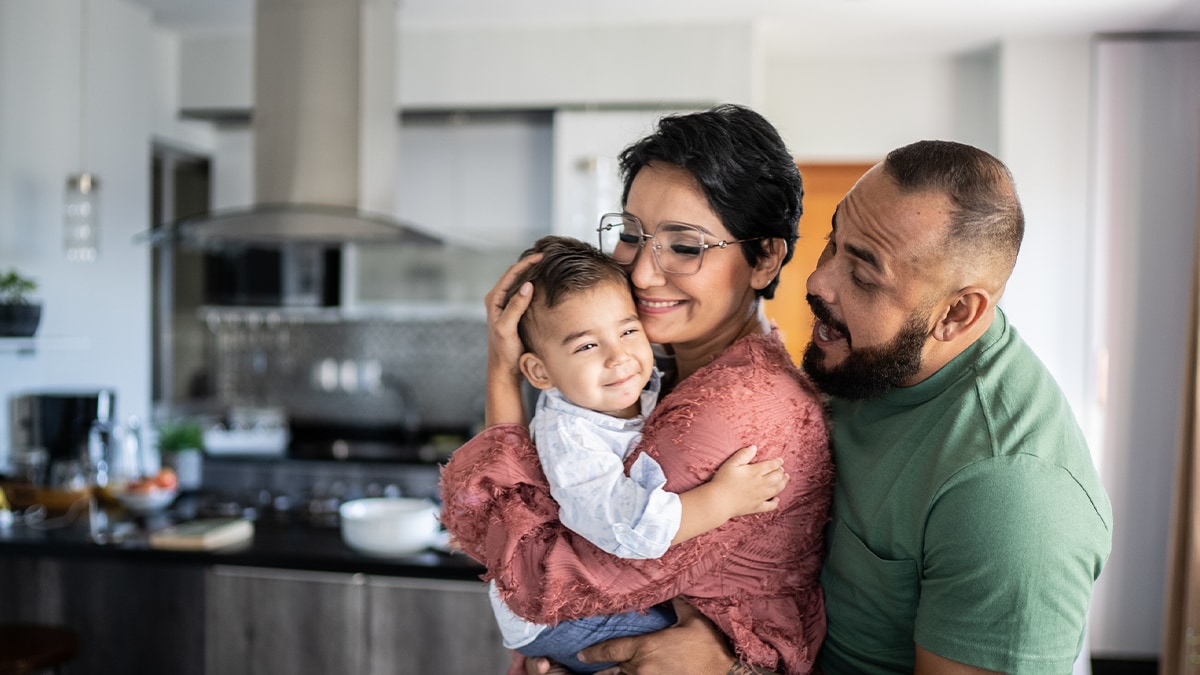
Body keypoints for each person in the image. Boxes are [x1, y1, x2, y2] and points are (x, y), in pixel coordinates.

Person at [574, 140, 1114, 674]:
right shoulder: (860, 364)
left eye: (862, 273)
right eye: (834, 242)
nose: (817, 280)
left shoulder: (1013, 498)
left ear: (957, 314)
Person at [439, 104, 834, 675]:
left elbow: (540, 580)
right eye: (630, 235)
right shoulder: (659, 370)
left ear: (765, 257)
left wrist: (501, 375)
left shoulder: (730, 410)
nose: (642, 273)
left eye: (685, 245)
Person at [484, 234, 791, 673]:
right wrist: (723, 499)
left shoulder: (620, 388)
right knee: (684, 636)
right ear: (539, 370)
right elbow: (627, 527)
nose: (619, 357)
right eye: (587, 345)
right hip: (556, 620)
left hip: (554, 611)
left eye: (629, 330)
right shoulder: (571, 438)